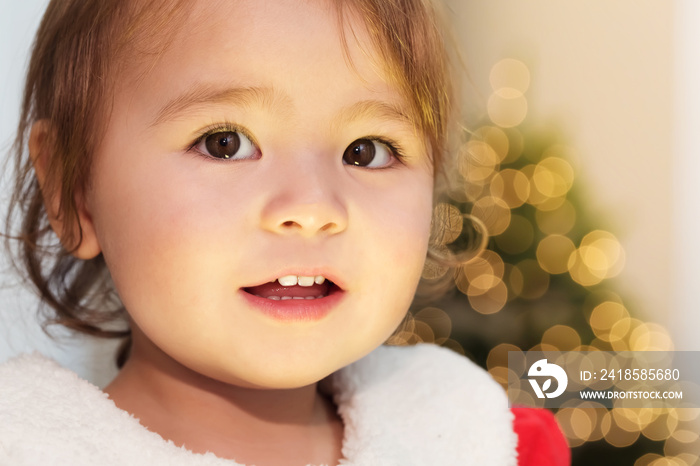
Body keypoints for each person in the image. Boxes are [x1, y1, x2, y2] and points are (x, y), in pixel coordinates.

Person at [0, 0, 569, 465]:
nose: (313, 206)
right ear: (74, 193)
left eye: (365, 151)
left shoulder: (492, 442)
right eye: (225, 142)